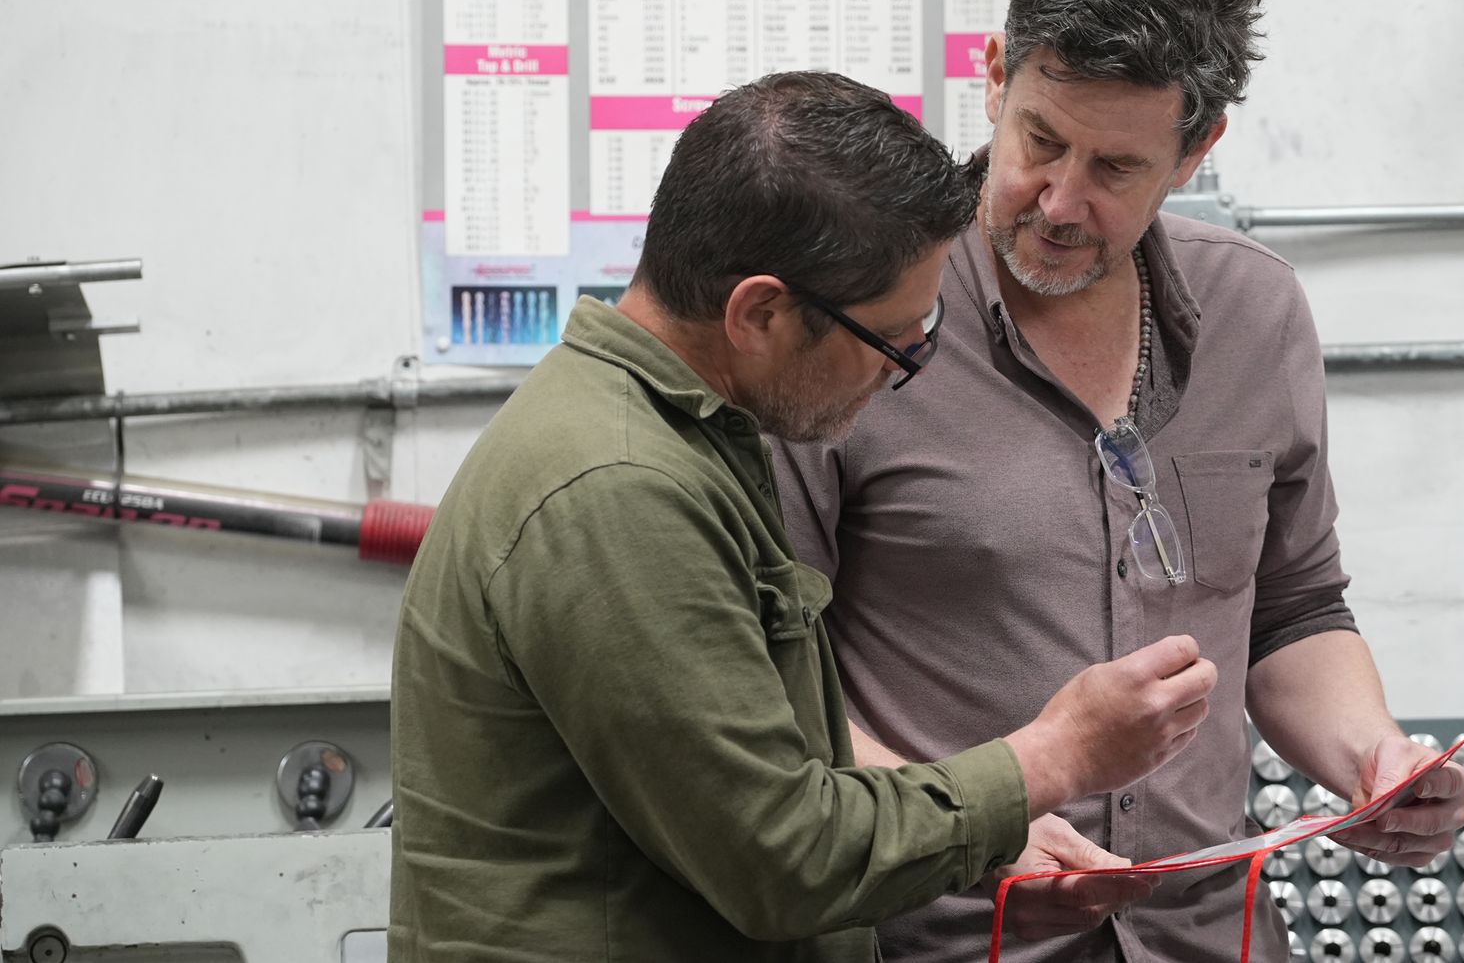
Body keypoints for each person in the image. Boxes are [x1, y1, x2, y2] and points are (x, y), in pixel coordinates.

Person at [388, 70, 1220, 963]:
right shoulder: (617, 488)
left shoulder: (681, 439)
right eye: (891, 341)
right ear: (761, 311)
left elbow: (763, 769)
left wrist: (987, 832)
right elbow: (782, 860)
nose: (909, 370)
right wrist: (1053, 757)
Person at [769, 0, 1464, 962]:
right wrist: (967, 831)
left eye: (1115, 169)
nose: (1058, 202)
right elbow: (775, 668)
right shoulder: (857, 317)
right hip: (951, 935)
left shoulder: (1257, 314)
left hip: (1212, 935)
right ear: (995, 74)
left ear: (1198, 149)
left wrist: (1371, 758)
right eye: (1040, 141)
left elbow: (1292, 610)